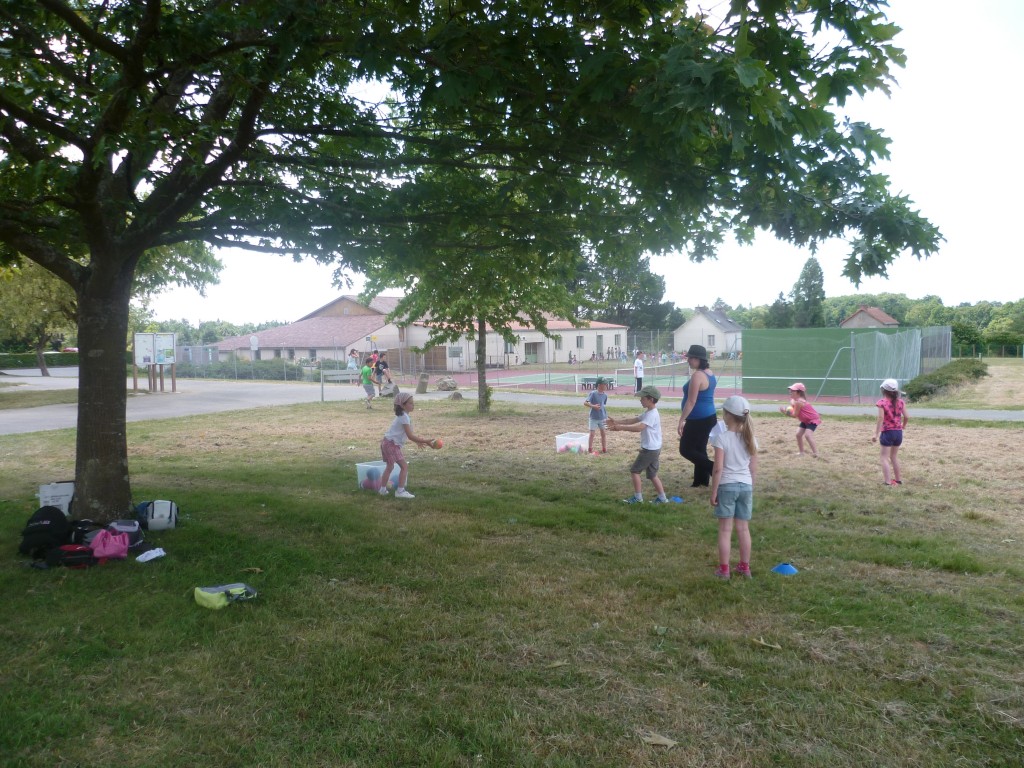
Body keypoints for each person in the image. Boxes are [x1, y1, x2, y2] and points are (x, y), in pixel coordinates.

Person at [710, 396, 758, 580]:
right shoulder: (751, 439)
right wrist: (750, 487)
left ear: (728, 415)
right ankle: (744, 568)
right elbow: (753, 468)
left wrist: (714, 491)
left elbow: (718, 469)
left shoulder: (721, 438)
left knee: (725, 530)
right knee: (743, 529)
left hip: (727, 487)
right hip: (746, 487)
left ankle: (724, 570)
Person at [606, 385, 669, 504]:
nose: (640, 400)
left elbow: (639, 427)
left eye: (643, 398)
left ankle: (638, 498)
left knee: (635, 471)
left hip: (649, 450)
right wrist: (616, 422)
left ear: (651, 399)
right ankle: (662, 499)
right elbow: (633, 420)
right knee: (652, 475)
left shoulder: (651, 414)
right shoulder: (649, 412)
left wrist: (620, 428)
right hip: (655, 448)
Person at [379, 393, 435, 499]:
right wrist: (426, 441)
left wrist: (418, 442)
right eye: (410, 403)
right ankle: (400, 491)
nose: (413, 405)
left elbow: (408, 434)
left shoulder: (403, 416)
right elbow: (410, 436)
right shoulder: (404, 417)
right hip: (392, 444)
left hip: (386, 443)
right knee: (404, 466)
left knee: (389, 467)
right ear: (402, 405)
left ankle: (382, 490)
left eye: (413, 403)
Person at [676, 344, 717, 487]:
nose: (688, 360)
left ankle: (714, 468)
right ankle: (700, 482)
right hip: (708, 417)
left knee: (686, 449)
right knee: (699, 449)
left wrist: (682, 420)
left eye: (691, 358)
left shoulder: (697, 376)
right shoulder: (709, 373)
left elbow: (691, 401)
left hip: (699, 420)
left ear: (698, 359)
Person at [872, 378, 909, 486]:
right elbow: (907, 416)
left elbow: (880, 418)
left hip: (887, 433)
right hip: (898, 433)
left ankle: (888, 482)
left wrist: (876, 434)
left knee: (884, 458)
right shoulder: (901, 402)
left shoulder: (881, 403)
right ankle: (898, 480)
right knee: (894, 457)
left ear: (883, 390)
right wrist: (903, 426)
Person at [780, 382, 821, 457]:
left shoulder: (799, 402)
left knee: (808, 435)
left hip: (812, 420)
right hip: (805, 420)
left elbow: (794, 415)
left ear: (799, 392)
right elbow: (793, 406)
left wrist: (785, 412)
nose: (790, 391)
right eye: (790, 390)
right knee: (798, 435)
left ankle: (816, 454)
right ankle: (801, 453)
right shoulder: (794, 400)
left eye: (793, 390)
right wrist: (790, 407)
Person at [584, 377, 610, 454]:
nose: (606, 386)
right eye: (604, 384)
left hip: (602, 417)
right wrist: (593, 406)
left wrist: (605, 416)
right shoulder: (593, 393)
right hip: (593, 418)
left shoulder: (605, 395)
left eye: (606, 384)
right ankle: (590, 449)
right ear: (599, 385)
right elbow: (585, 403)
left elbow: (603, 405)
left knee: (603, 433)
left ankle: (604, 448)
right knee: (592, 434)